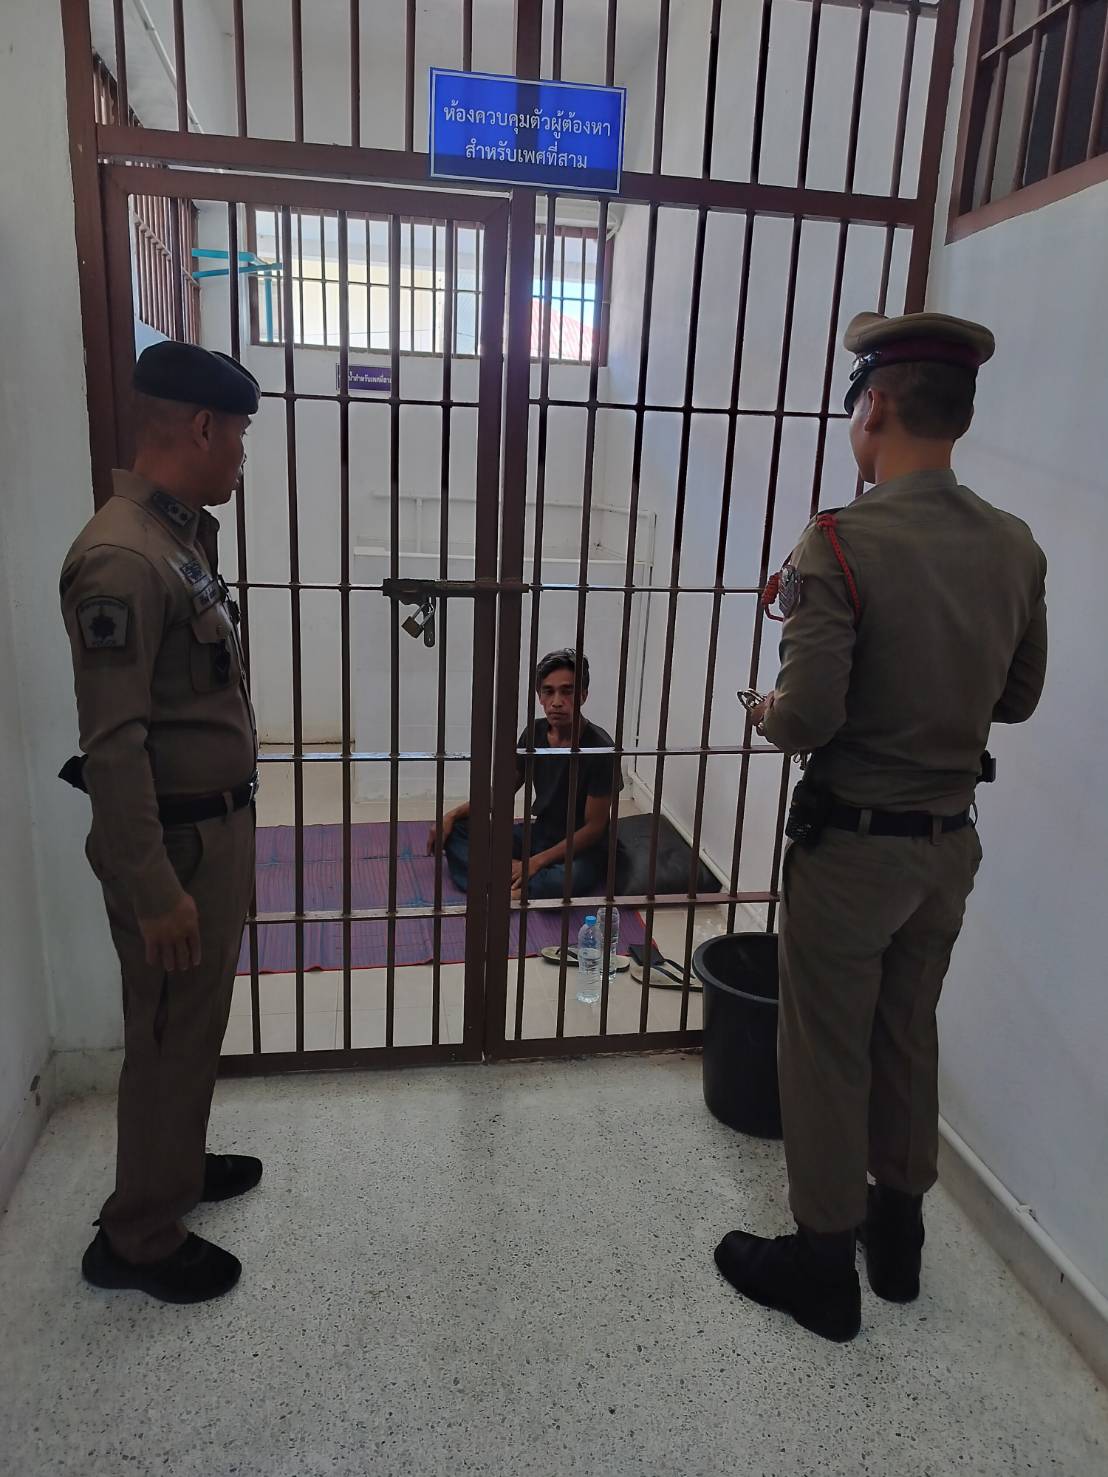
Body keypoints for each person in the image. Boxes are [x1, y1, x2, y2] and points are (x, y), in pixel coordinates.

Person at [714, 312, 1047, 1343]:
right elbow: (1019, 697)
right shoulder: (1014, 544)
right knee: (908, 1030)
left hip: (853, 847)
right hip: (948, 845)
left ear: (878, 406)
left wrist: (764, 710)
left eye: (855, 403)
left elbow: (807, 717)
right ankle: (896, 1244)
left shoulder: (841, 542)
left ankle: (822, 1265)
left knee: (824, 1050)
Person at [60, 341, 263, 1304]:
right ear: (202, 427)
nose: (242, 456)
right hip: (173, 848)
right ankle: (138, 1235)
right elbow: (113, 744)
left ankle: (174, 1168)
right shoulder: (121, 556)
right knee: (166, 1030)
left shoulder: (175, 538)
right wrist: (154, 891)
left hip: (207, 832)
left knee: (192, 1020)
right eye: (240, 437)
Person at [428, 648, 622, 900]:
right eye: (548, 691)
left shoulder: (601, 748)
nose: (557, 702)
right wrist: (450, 816)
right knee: (458, 831)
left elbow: (594, 828)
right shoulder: (534, 733)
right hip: (540, 833)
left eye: (567, 691)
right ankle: (517, 882)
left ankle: (506, 882)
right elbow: (501, 794)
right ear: (539, 696)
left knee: (569, 878)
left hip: (580, 848)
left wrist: (535, 862)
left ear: (583, 695)